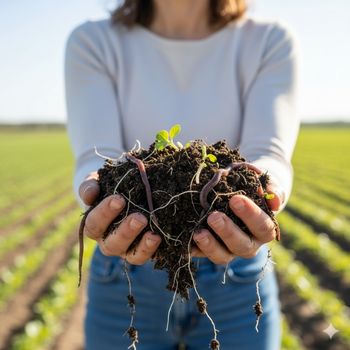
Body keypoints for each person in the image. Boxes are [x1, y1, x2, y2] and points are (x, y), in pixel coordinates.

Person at [65, 0, 299, 349]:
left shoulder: (267, 40)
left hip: (236, 270)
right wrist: (98, 189)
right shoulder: (94, 41)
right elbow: (96, 156)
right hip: (127, 267)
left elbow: (269, 152)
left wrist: (268, 189)